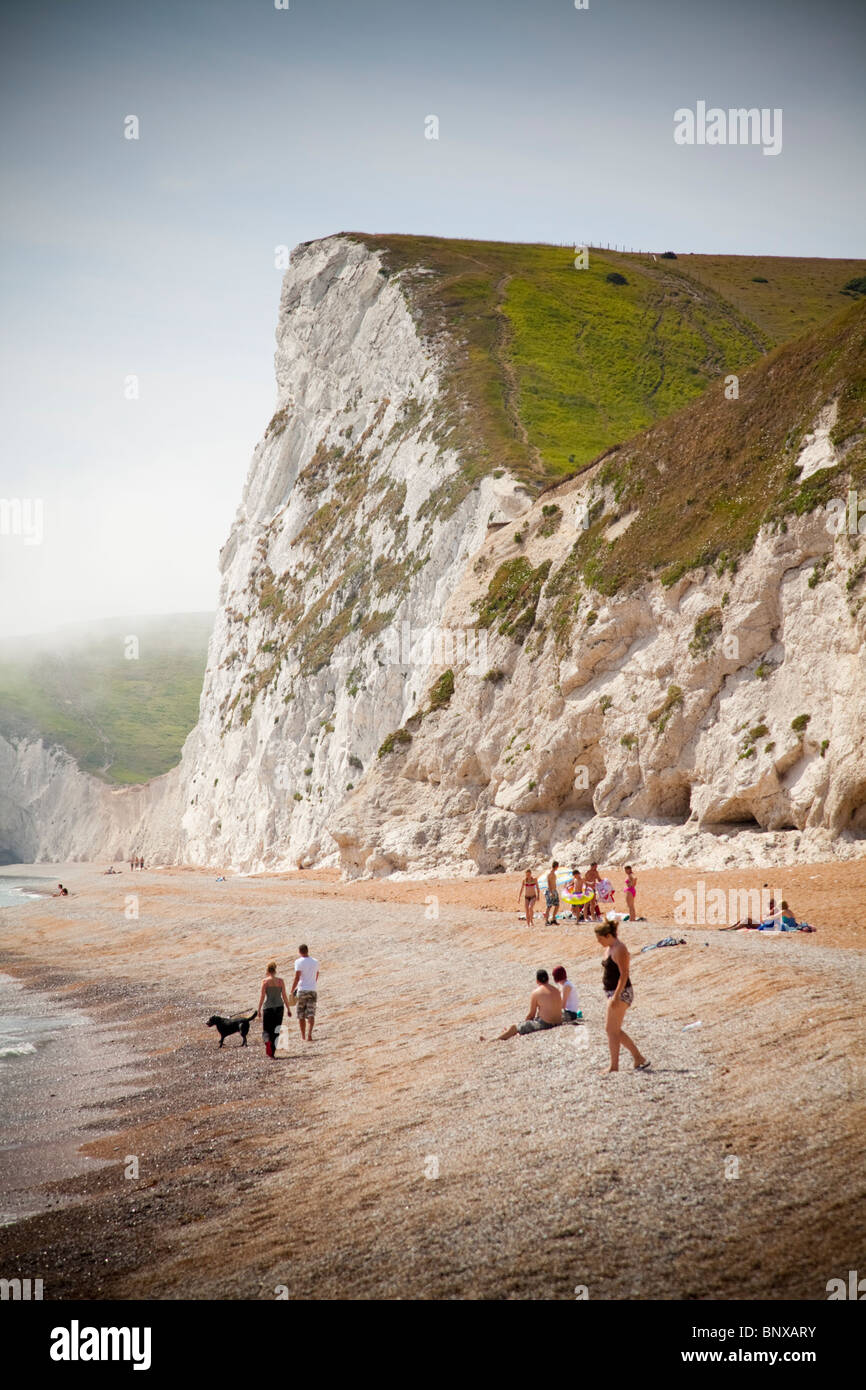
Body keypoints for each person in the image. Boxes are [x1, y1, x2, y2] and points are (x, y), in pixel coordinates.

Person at [595, 914, 649, 1073]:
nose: (599, 942)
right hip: (612, 992)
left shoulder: (620, 949)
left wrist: (616, 996)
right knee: (613, 1029)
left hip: (622, 992)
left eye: (600, 939)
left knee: (611, 1030)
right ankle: (638, 1057)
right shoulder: (609, 948)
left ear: (608, 935)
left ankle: (614, 1066)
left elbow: (624, 974)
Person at [490, 969, 563, 1040]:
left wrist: (522, 1025)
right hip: (559, 1022)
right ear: (548, 979)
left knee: (514, 1027)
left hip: (546, 1024)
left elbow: (531, 1015)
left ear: (537, 981)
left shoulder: (536, 993)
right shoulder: (556, 990)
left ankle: (494, 1039)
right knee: (520, 1026)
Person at [257, 960, 292, 1059]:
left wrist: (259, 1009)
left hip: (268, 1008)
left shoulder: (265, 981)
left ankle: (267, 1042)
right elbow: (284, 995)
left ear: (267, 970)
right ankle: (272, 1053)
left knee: (266, 1030)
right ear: (275, 970)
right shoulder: (280, 981)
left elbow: (262, 996)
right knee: (276, 1030)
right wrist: (289, 1009)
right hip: (279, 1007)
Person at [291, 944, 320, 1042]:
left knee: (301, 1014)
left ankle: (303, 1036)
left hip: (302, 990)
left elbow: (297, 977)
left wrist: (292, 989)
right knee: (311, 1013)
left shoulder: (298, 962)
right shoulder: (315, 962)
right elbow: (317, 974)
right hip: (312, 989)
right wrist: (313, 983)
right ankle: (309, 1035)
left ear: (299, 951)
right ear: (307, 950)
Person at [544, 861, 560, 925]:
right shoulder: (550, 874)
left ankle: (553, 918)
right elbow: (549, 884)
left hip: (554, 890)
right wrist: (551, 892)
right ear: (556, 866)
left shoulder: (554, 874)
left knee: (557, 905)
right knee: (549, 906)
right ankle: (546, 921)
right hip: (550, 891)